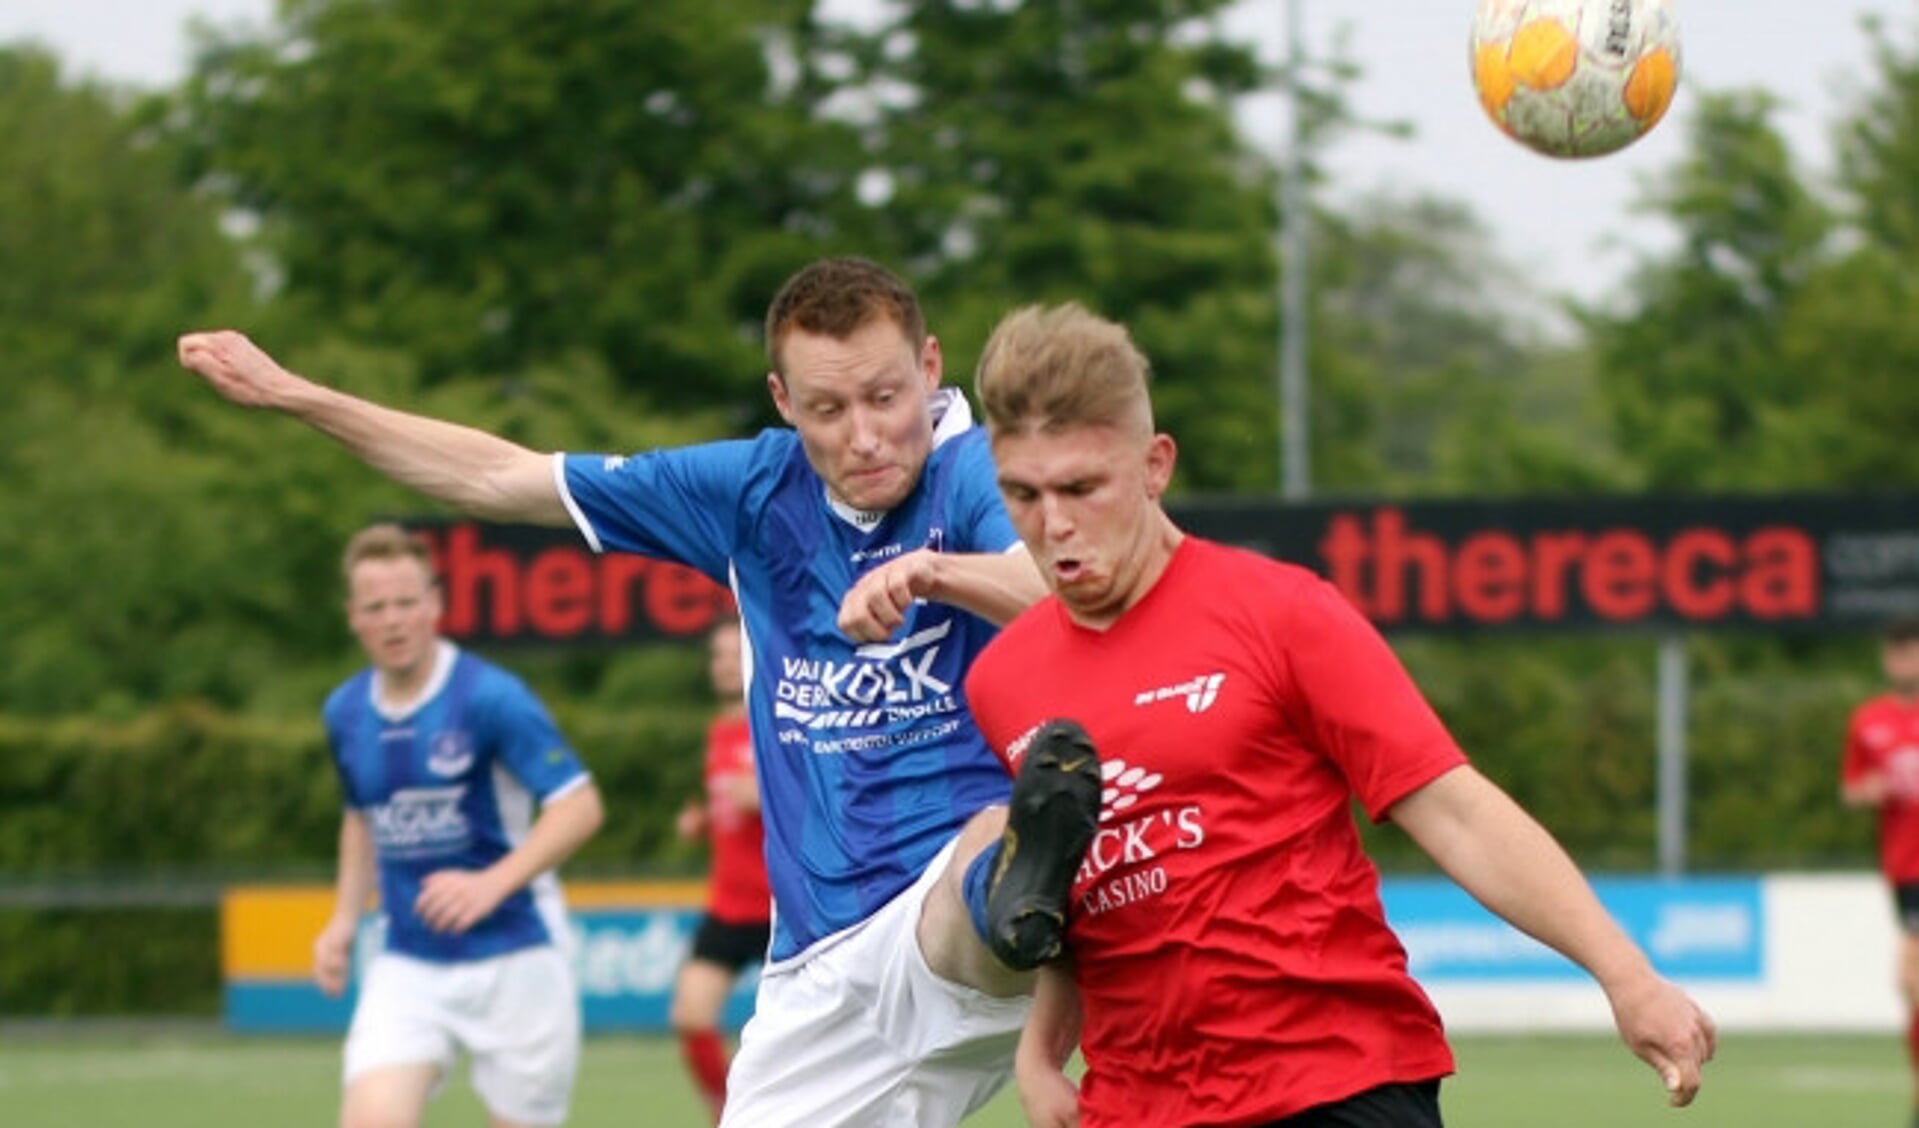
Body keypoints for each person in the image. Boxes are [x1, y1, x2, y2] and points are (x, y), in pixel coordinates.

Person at [178, 257, 1086, 1128]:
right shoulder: (751, 491)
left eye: (886, 398)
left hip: (944, 912)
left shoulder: (973, 473)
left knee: (978, 869)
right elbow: (497, 477)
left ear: (928, 367)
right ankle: (1016, 890)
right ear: (782, 403)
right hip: (817, 967)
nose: (863, 434)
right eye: (827, 408)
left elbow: (1060, 590)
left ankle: (1025, 882)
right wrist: (296, 395)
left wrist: (935, 573)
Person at [960, 303, 1719, 1128]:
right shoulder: (1001, 681)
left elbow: (1457, 812)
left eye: (1081, 487)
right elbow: (1073, 886)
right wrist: (1038, 1057)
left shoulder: (1280, 612)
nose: (1054, 523)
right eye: (1022, 494)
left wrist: (1626, 976)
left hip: (1334, 1085)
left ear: (1154, 465)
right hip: (1137, 1107)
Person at [314, 522, 605, 1128]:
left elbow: (580, 807)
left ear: (435, 605)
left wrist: (489, 884)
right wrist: (343, 919)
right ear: (353, 617)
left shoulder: (491, 698)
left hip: (518, 954)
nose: (393, 619)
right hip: (409, 959)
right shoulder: (345, 712)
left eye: (406, 602)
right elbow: (359, 817)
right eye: (376, 607)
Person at [671, 616, 770, 1124]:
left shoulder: (774, 720)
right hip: (728, 906)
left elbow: (818, 804)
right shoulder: (719, 731)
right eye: (718, 657)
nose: (725, 666)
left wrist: (766, 798)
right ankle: (727, 1112)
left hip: (779, 910)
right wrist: (703, 821)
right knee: (689, 1015)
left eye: (735, 655)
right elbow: (731, 810)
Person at [1841, 613, 1919, 1128]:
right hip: (1903, 871)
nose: (1903, 661)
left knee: (1910, 975)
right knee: (1911, 987)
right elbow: (1851, 789)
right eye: (1896, 651)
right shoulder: (1870, 721)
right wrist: (1873, 789)